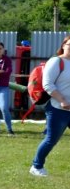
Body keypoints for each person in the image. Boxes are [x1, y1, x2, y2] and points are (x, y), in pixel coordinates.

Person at [29, 36, 70, 177]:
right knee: (51, 139)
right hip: (58, 108)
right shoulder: (56, 61)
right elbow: (48, 84)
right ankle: (36, 166)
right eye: (69, 44)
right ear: (64, 45)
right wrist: (62, 100)